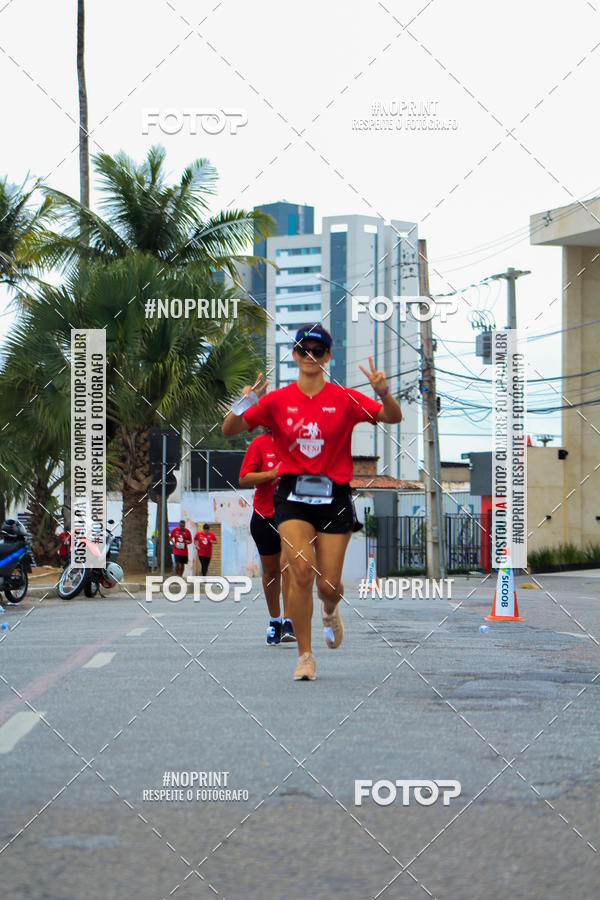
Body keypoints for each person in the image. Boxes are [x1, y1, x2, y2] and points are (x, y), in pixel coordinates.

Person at [222, 323, 402, 681]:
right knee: (300, 571)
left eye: (317, 351)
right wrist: (246, 401)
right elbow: (229, 429)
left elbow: (392, 417)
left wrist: (383, 391)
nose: (310, 356)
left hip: (334, 496)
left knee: (328, 585)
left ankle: (330, 609)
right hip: (292, 496)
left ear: (327, 356)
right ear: (294, 355)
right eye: (303, 350)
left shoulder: (344, 398)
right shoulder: (277, 400)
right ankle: (305, 655)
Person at [239, 427, 295, 645]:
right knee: (271, 572)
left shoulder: (300, 441)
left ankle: (289, 622)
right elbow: (244, 478)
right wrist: (272, 474)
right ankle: (275, 621)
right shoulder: (259, 444)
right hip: (264, 516)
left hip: (292, 515)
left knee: (287, 565)